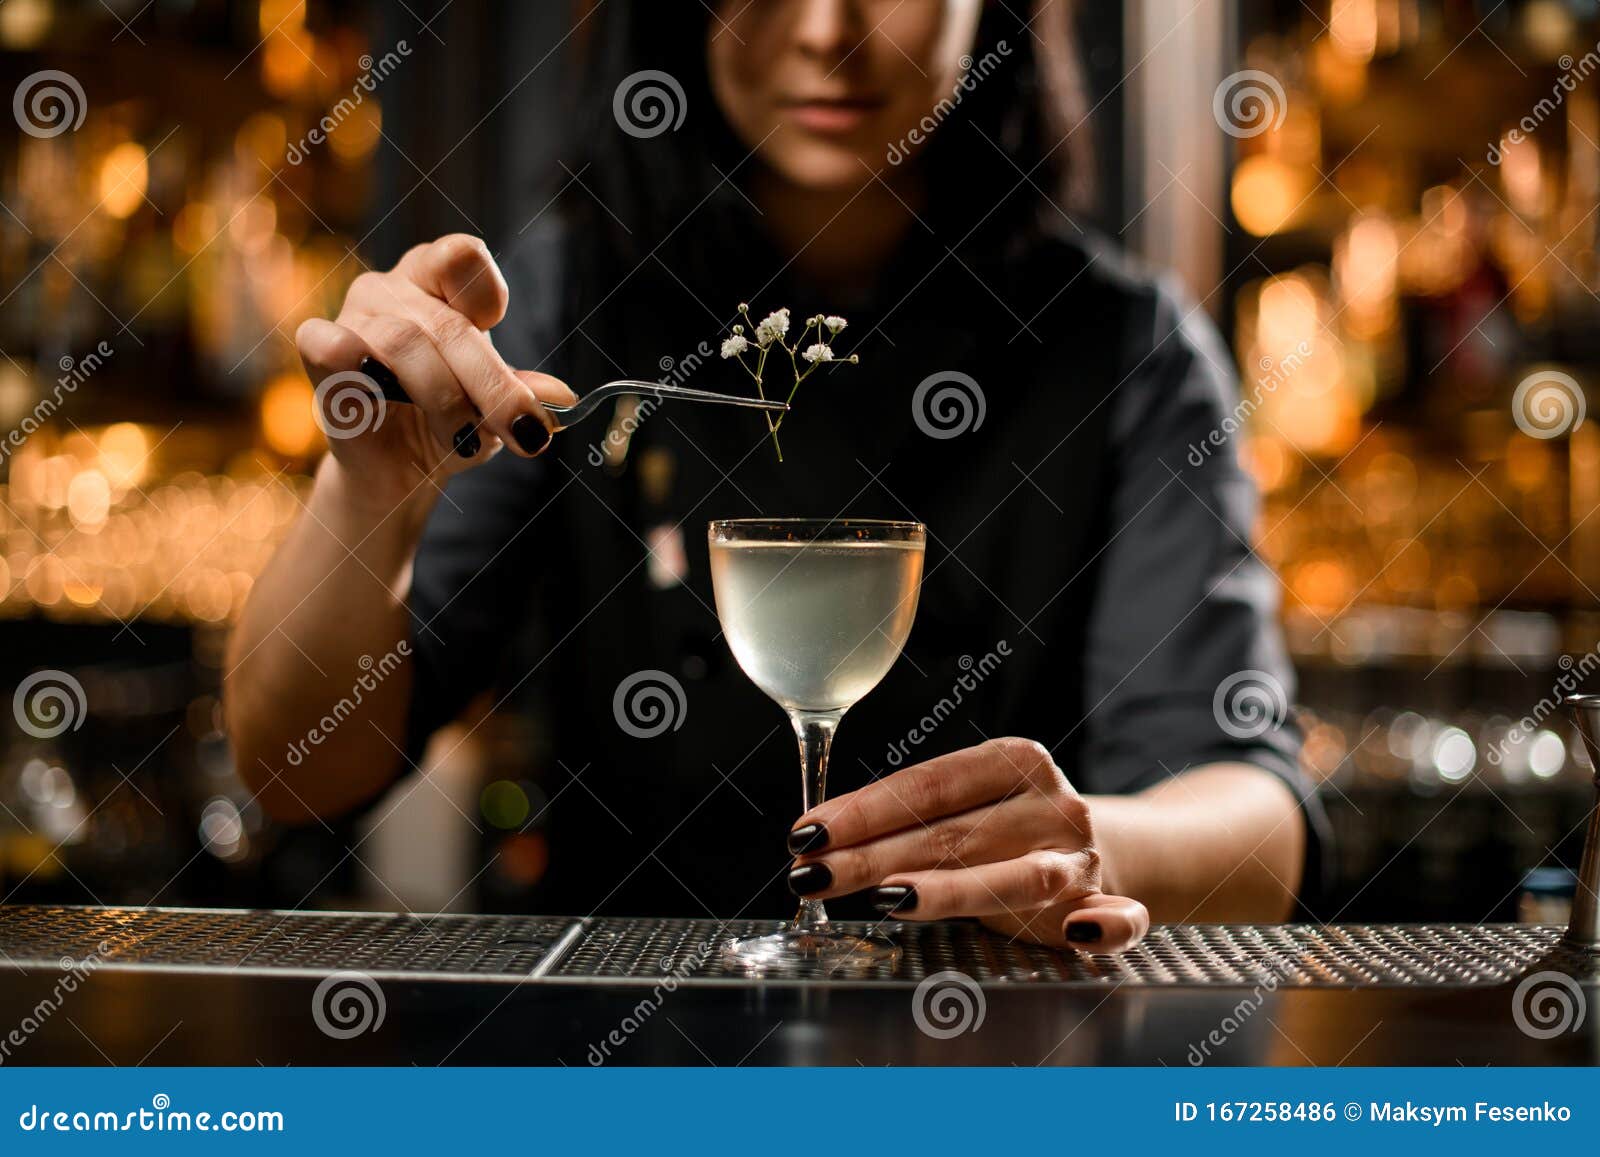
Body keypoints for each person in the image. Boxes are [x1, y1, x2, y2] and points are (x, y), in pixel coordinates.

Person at [226, 1, 1324, 953]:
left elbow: (1255, 815)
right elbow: (296, 773)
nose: (823, 32)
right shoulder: (563, 309)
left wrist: (1086, 848)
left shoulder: (1121, 347)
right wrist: (368, 495)